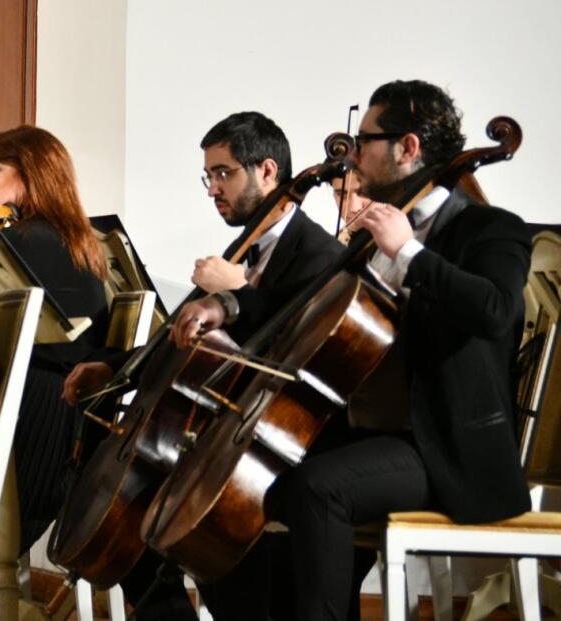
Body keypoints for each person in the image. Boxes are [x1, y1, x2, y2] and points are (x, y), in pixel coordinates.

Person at [170, 81, 532, 621]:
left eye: (366, 142)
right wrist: (228, 306)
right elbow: (302, 309)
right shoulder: (369, 239)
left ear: (408, 148)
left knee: (320, 489)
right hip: (370, 434)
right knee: (239, 480)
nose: (353, 154)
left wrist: (407, 252)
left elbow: (495, 310)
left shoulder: (489, 229)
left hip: (445, 446)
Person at [61, 111, 341, 621]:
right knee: (114, 496)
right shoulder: (240, 249)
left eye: (224, 173)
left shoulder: (321, 254)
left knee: (168, 514)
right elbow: (176, 342)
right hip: (218, 434)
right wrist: (115, 368)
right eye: (208, 176)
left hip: (271, 443)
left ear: (269, 172)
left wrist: (237, 290)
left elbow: (296, 343)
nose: (213, 188)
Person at [0, 125, 109, 551]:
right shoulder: (75, 240)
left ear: (30, 173)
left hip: (33, 421)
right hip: (62, 417)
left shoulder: (26, 239)